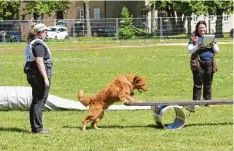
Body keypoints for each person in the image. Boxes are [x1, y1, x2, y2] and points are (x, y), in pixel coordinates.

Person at [24, 23, 52, 134]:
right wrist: (45, 78)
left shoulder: (31, 43)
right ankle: (38, 128)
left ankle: (36, 127)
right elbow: (39, 61)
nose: (46, 33)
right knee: (39, 101)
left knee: (36, 100)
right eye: (45, 31)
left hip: (33, 73)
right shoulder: (38, 44)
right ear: (40, 33)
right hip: (38, 74)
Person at [186, 20, 219, 112]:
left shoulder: (211, 38)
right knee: (197, 83)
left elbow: (217, 51)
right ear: (197, 28)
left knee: (208, 82)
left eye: (203, 27)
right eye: (200, 28)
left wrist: (213, 45)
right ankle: (196, 103)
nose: (202, 29)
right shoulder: (194, 38)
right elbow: (189, 50)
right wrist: (198, 46)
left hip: (209, 62)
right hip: (198, 63)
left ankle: (207, 102)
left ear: (206, 28)